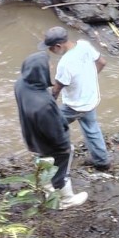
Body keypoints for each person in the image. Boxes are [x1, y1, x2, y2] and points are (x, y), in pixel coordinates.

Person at [14, 51, 89, 209]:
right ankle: (66, 200)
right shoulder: (43, 104)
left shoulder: (21, 84)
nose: (52, 66)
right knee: (61, 166)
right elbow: (54, 133)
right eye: (48, 65)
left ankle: (46, 186)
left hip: (31, 135)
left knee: (43, 158)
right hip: (50, 142)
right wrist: (65, 147)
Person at [41, 26, 111, 171]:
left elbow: (56, 90)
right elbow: (102, 62)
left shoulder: (65, 64)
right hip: (91, 98)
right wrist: (89, 79)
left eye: (50, 48)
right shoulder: (84, 45)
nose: (49, 51)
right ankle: (102, 161)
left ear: (58, 46)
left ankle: (56, 157)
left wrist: (47, 107)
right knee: (92, 129)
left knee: (51, 125)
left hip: (75, 106)